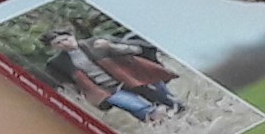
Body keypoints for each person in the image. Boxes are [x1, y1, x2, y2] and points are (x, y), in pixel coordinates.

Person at [42, 27, 184, 123]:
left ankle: (182, 115)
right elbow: (67, 83)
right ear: (54, 47)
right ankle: (162, 122)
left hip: (131, 76)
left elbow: (135, 49)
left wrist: (110, 46)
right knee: (136, 107)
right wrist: (81, 96)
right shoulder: (58, 63)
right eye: (58, 43)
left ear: (72, 36)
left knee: (168, 99)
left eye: (65, 39)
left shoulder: (96, 42)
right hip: (108, 90)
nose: (64, 44)